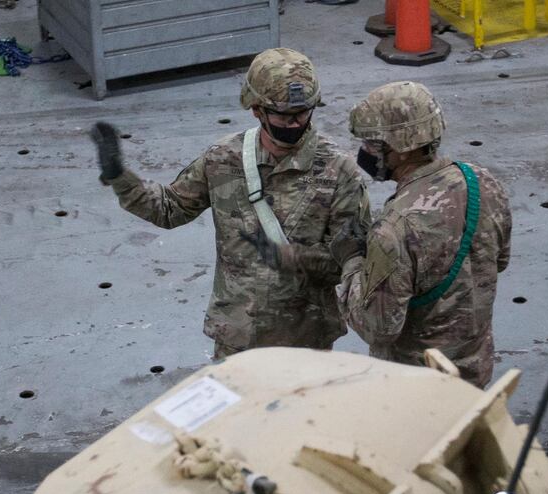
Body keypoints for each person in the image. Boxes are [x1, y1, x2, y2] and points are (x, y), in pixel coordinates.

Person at [90, 48, 370, 360]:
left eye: (302, 113)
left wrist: (293, 257)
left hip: (305, 340)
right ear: (256, 110)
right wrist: (119, 177)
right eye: (282, 115)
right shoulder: (223, 159)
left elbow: (353, 262)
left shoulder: (339, 171)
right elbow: (169, 209)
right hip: (238, 334)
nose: (293, 124)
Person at [330, 81, 512, 387]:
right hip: (474, 371)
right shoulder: (483, 182)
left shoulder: (394, 229)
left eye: (372, 143)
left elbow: (378, 327)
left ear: (400, 149)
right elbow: (500, 260)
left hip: (415, 386)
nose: (364, 151)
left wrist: (352, 263)